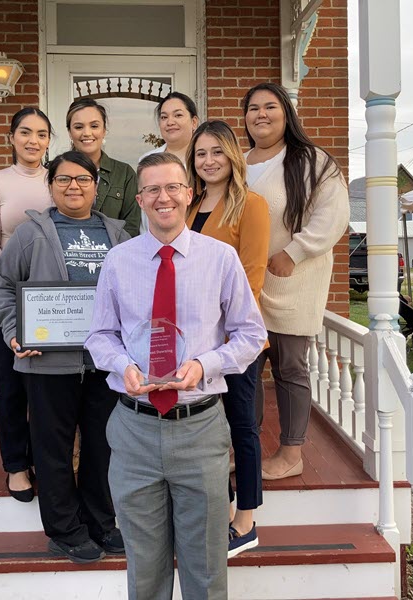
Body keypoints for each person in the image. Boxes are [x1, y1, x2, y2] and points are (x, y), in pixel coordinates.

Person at [85, 153, 266, 599]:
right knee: (144, 572)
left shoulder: (220, 259)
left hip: (199, 429)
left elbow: (251, 334)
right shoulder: (118, 261)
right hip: (134, 430)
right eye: (151, 189)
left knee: (205, 570)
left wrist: (205, 365)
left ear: (189, 193)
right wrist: (121, 365)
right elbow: (99, 335)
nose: (163, 197)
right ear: (140, 199)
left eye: (172, 187)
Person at [0, 151, 129, 563]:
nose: (74, 186)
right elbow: (0, 288)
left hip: (104, 364)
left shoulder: (117, 236)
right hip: (48, 363)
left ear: (96, 186)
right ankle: (64, 530)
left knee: (104, 447)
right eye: (64, 179)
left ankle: (101, 523)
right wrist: (14, 331)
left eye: (83, 179)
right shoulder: (30, 235)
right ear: (50, 186)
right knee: (53, 448)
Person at [242, 82, 349, 481]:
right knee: (245, 370)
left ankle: (291, 454)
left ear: (287, 113)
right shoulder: (238, 160)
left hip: (292, 281)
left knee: (289, 369)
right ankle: (246, 446)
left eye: (270, 106)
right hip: (246, 285)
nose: (261, 114)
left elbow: (333, 215)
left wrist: (295, 252)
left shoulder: (313, 161)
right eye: (253, 108)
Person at [184, 120, 270, 557]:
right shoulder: (187, 204)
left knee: (241, 425)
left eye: (217, 152)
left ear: (233, 156)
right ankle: (220, 503)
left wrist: (224, 336)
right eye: (201, 153)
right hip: (195, 343)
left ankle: (247, 519)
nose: (208, 160)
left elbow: (252, 277)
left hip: (235, 341)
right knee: (208, 428)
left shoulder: (250, 205)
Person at [0, 107, 53, 503]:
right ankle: (16, 466)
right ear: (12, 137)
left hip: (47, 297)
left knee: (43, 383)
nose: (33, 141)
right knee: (9, 383)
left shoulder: (56, 179)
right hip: (8, 295)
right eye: (25, 132)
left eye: (41, 134)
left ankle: (44, 458)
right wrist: (8, 285)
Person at [66, 98, 141, 237]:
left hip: (113, 254)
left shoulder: (124, 174)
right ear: (70, 132)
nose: (87, 133)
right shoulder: (56, 171)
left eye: (94, 126)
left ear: (104, 130)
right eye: (78, 127)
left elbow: (131, 226)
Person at [139, 91, 200, 165]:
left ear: (194, 122)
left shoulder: (205, 158)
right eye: (164, 117)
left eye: (178, 115)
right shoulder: (147, 161)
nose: (170, 122)